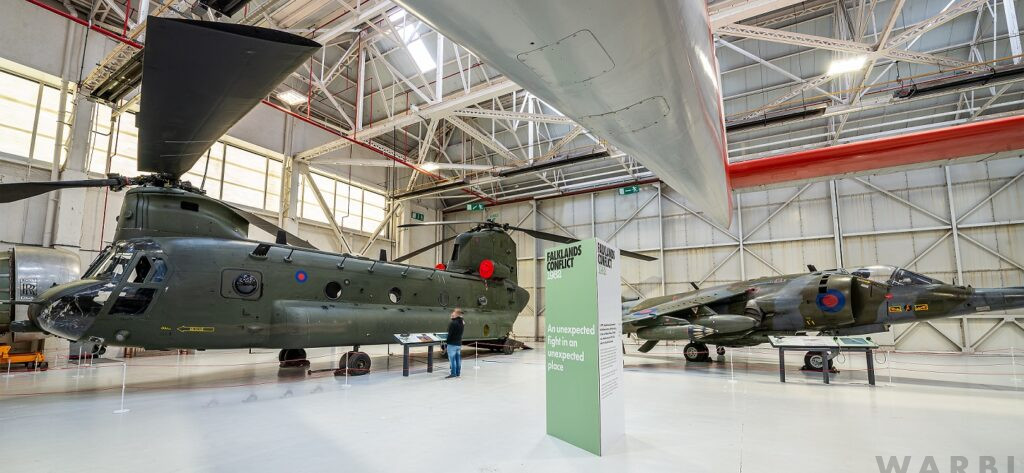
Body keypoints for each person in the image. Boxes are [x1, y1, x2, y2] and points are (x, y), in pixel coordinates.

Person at [445, 308, 465, 379]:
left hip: (452, 344)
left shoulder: (453, 323)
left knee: (452, 359)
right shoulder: (462, 322)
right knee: (458, 359)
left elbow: (450, 334)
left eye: (453, 313)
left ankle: (453, 373)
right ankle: (458, 373)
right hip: (458, 343)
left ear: (456, 314)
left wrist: (446, 342)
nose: (451, 314)